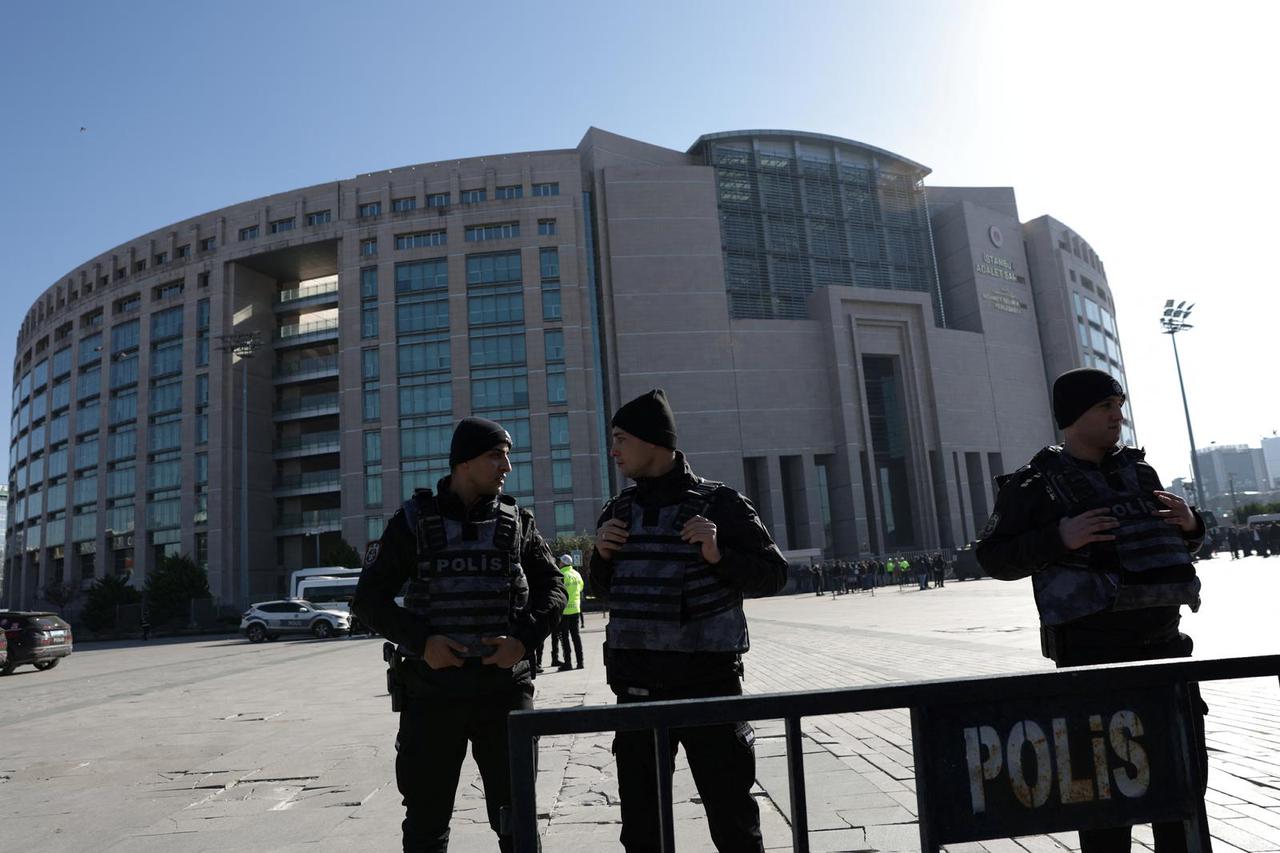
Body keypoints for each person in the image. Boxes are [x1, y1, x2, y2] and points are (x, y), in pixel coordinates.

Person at [976, 368, 1207, 853]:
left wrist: (1191, 525)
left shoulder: (1140, 472)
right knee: (1105, 819)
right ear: (1074, 415)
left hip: (1166, 658)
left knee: (1182, 804)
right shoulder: (1033, 486)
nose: (1117, 417)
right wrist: (1058, 537)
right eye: (1106, 407)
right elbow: (993, 556)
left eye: (1119, 406)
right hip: (1092, 666)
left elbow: (1161, 549)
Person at [353, 416, 566, 853]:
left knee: (517, 821)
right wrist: (422, 642)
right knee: (427, 823)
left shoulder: (517, 521)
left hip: (504, 692)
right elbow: (369, 599)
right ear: (463, 462)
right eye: (496, 455)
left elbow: (554, 587)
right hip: (432, 694)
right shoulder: (413, 522)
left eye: (507, 454)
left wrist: (522, 640)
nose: (507, 465)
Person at [589, 389, 788, 853]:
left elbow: (774, 574)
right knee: (642, 832)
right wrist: (599, 555)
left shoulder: (721, 505)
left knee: (735, 825)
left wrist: (719, 555)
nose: (613, 451)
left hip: (710, 691)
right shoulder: (617, 510)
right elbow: (605, 589)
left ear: (653, 441)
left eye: (620, 439)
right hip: (637, 695)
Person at [555, 554, 585, 670]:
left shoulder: (562, 575)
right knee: (576, 637)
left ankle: (568, 663)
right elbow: (581, 587)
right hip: (576, 609)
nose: (558, 563)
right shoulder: (577, 574)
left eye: (560, 561)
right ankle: (580, 662)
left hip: (565, 611)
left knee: (565, 638)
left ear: (563, 563)